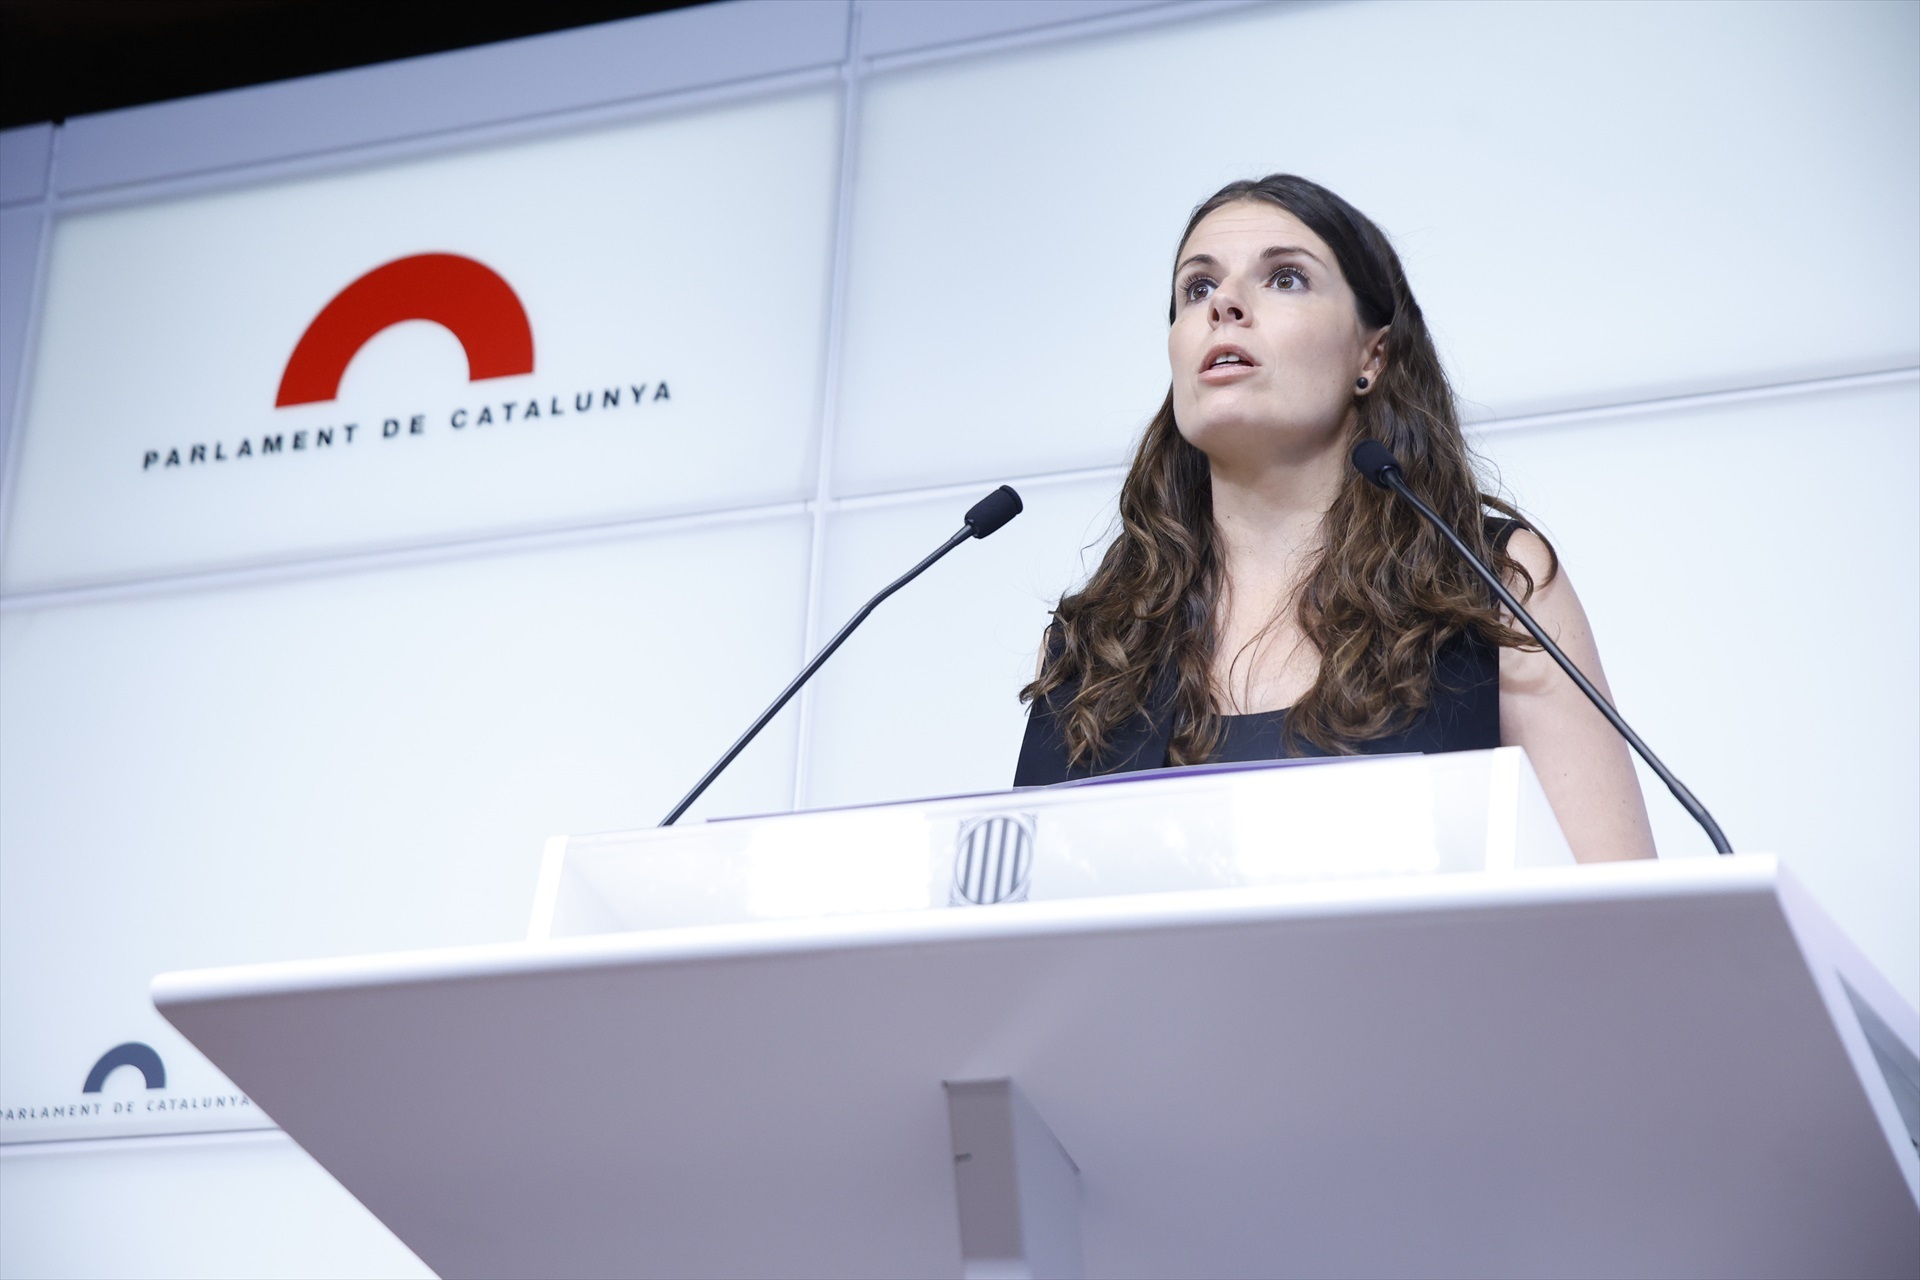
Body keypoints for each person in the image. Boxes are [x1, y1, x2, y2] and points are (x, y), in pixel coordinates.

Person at [1014, 174, 1655, 864]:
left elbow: (1625, 913)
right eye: (1196, 289)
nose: (1224, 304)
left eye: (1285, 278)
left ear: (1371, 356)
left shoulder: (1490, 584)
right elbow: (1016, 936)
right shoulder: (1101, 639)